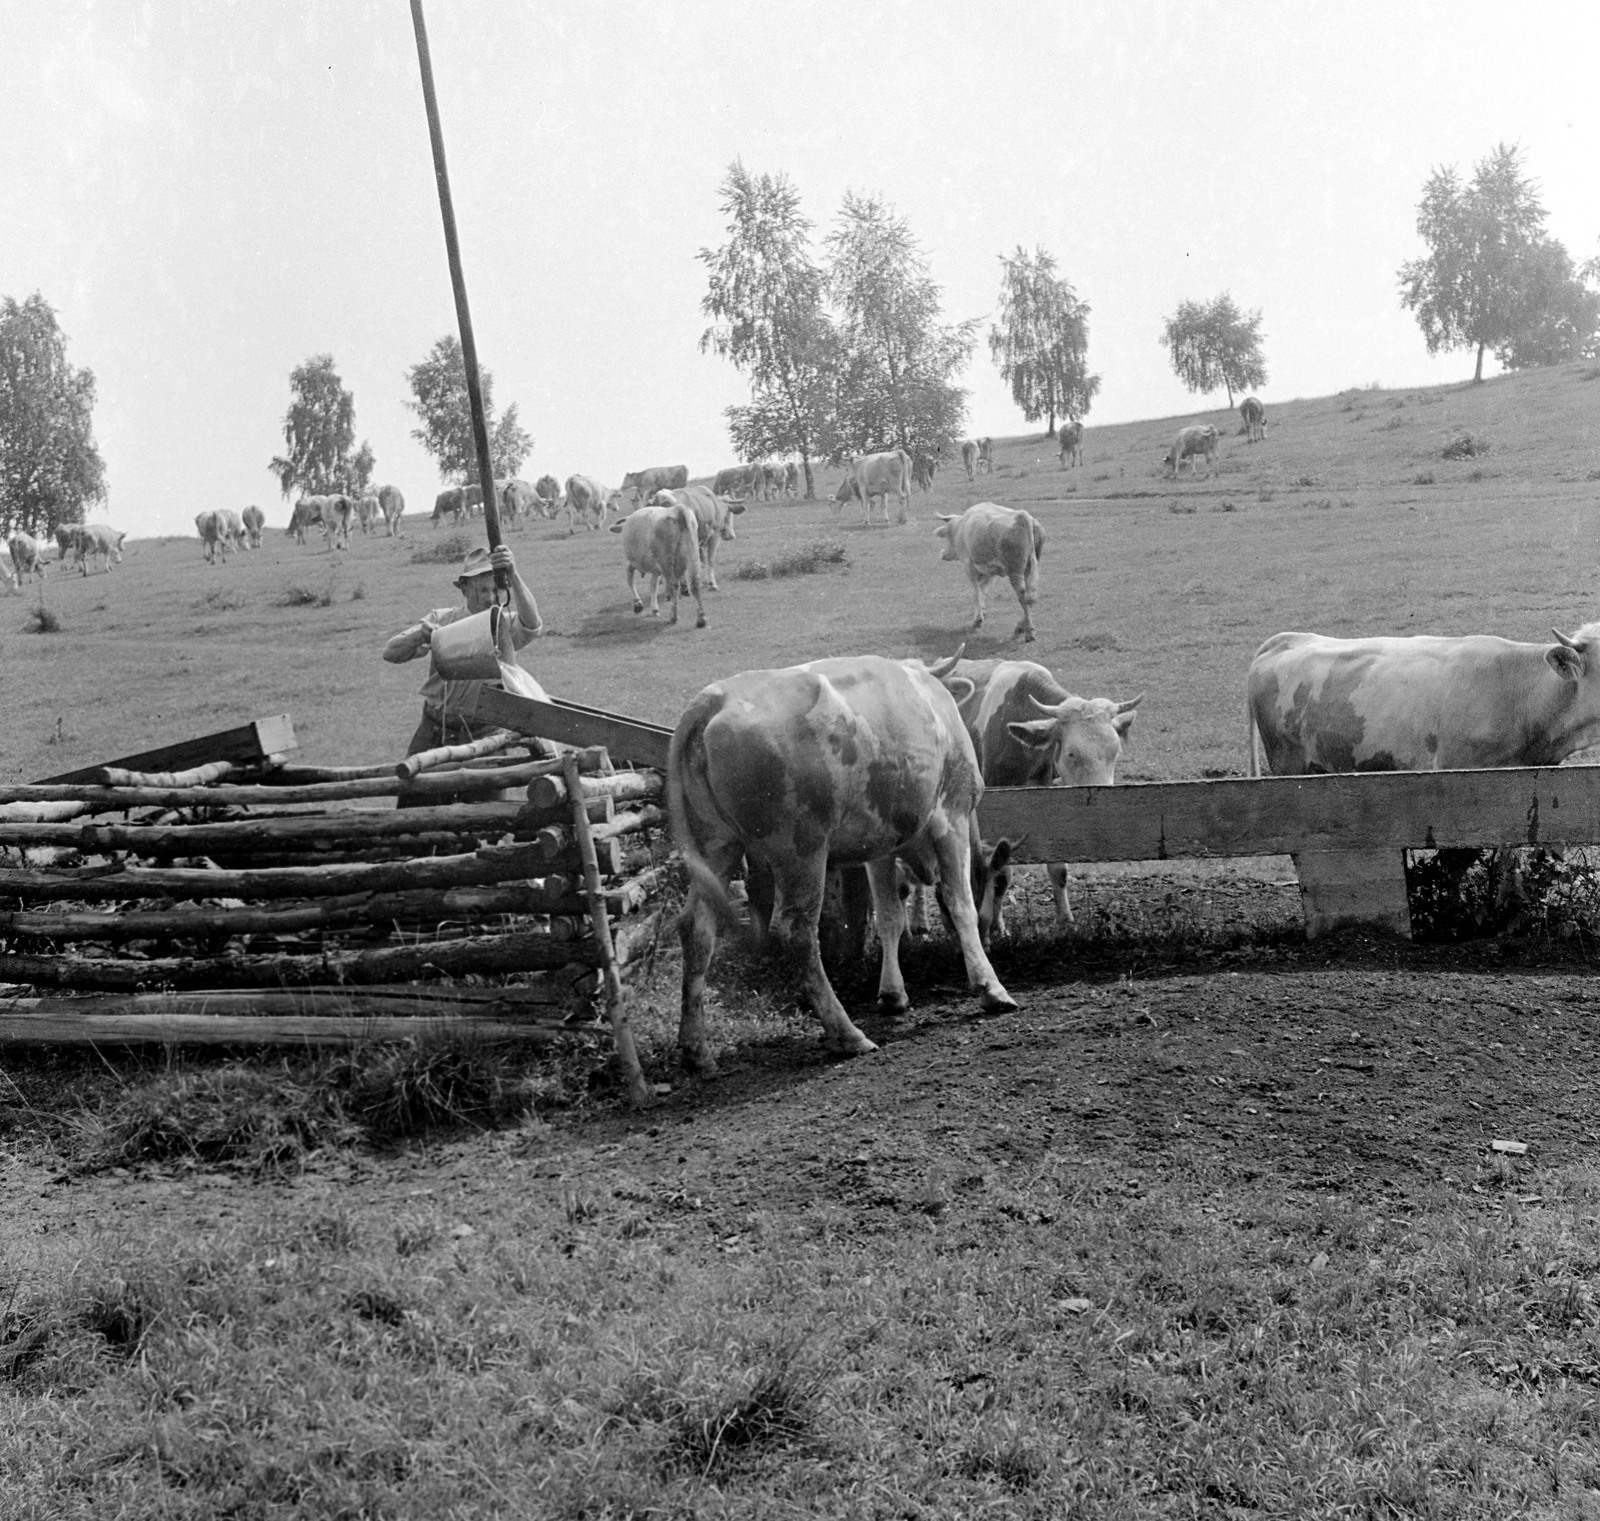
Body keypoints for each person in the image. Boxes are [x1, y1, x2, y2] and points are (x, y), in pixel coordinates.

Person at [383, 542, 543, 759]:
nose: (490, 598)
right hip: (436, 729)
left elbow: (532, 625)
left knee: (485, 793)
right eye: (482, 590)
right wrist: (420, 634)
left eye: (495, 590)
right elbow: (391, 653)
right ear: (464, 589)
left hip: (486, 735)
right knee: (418, 790)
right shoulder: (442, 619)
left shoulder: (503, 626)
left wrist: (513, 575)